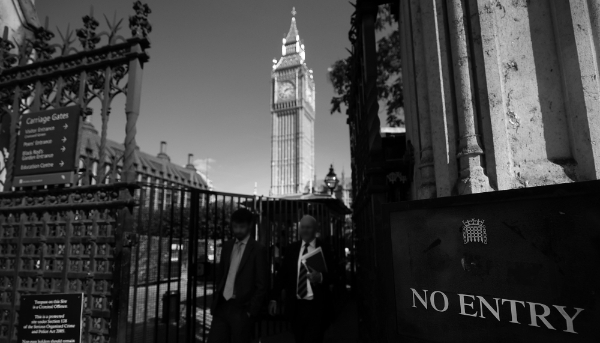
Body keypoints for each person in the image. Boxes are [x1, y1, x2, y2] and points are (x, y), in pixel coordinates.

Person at [268, 215, 334, 343]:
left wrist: (320, 277)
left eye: (308, 227)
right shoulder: (292, 249)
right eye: (302, 227)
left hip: (317, 307)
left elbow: (333, 275)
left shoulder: (325, 249)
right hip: (296, 307)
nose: (305, 230)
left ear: (315, 229)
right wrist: (274, 298)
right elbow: (282, 274)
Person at [208, 208, 268, 343]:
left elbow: (262, 284)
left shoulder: (258, 249)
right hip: (223, 305)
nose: (238, 230)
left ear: (250, 226)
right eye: (235, 226)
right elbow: (222, 273)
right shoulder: (228, 246)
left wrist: (251, 311)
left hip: (242, 309)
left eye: (241, 227)